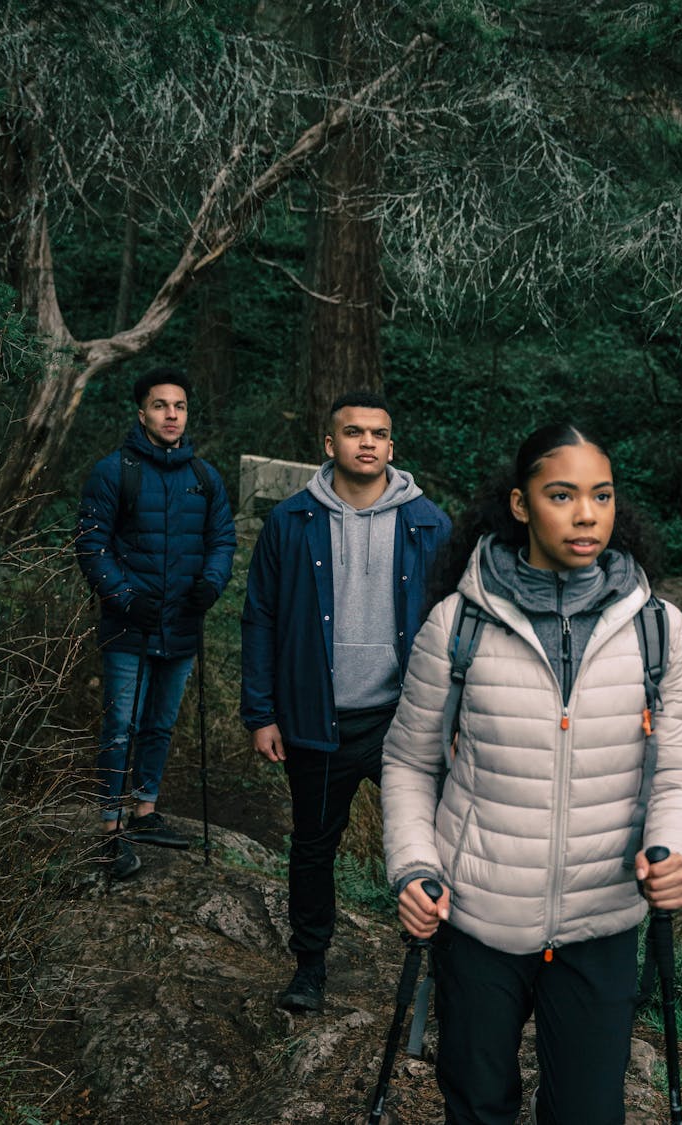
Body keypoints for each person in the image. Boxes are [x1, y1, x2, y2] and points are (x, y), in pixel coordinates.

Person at [381, 422, 682, 1125]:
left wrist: (678, 848)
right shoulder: (458, 625)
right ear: (522, 504)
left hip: (602, 918)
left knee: (589, 1112)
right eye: (562, 494)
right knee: (476, 1104)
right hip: (476, 917)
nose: (586, 513)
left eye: (602, 495)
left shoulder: (659, 630)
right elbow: (409, 760)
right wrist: (413, 867)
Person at [241, 390, 451, 1011]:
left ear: (392, 446)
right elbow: (260, 618)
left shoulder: (429, 523)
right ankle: (309, 967)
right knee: (312, 847)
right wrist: (262, 712)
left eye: (378, 434)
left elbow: (456, 627)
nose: (367, 443)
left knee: (434, 844)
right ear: (329, 445)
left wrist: (458, 715)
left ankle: (447, 969)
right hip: (317, 720)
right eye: (354, 432)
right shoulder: (291, 522)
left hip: (404, 722)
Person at [76, 366, 236, 878]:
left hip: (181, 627)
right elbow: (91, 542)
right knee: (120, 725)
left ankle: (145, 810)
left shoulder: (204, 478)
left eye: (180, 406)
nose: (172, 414)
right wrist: (123, 595)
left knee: (160, 725)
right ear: (141, 411)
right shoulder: (114, 471)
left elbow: (223, 540)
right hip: (130, 626)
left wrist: (211, 583)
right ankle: (109, 828)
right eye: (161, 405)